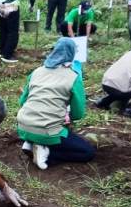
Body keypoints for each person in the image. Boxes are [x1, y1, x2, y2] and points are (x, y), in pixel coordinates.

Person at [17, 38, 94, 170]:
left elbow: (22, 101)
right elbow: (78, 113)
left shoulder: (36, 72)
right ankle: (47, 152)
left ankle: (30, 142)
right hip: (48, 131)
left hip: (23, 126)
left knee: (43, 128)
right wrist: (66, 114)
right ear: (72, 54)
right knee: (87, 152)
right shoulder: (73, 77)